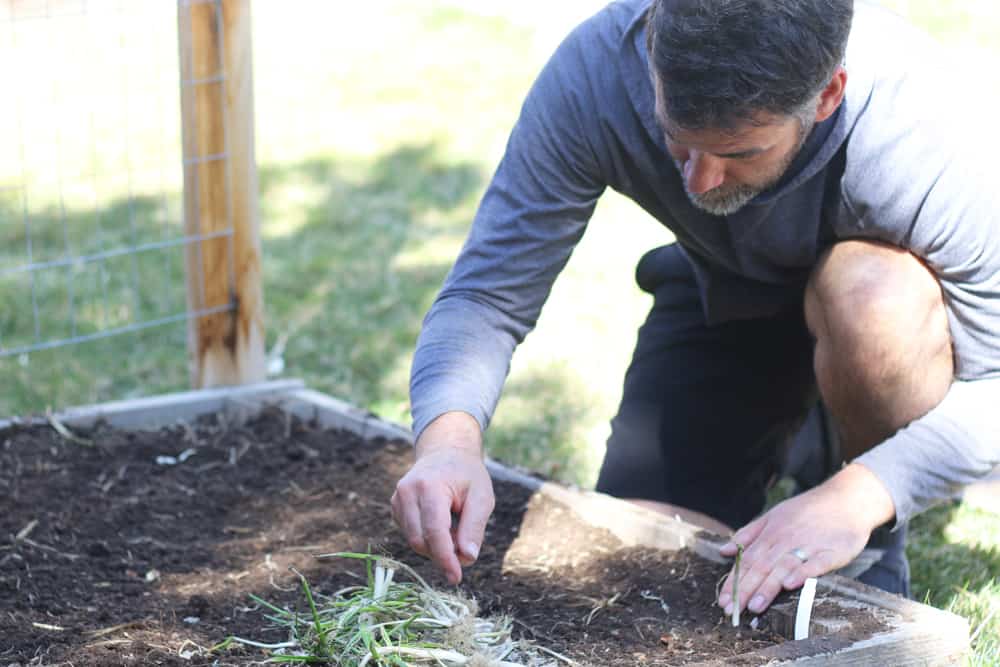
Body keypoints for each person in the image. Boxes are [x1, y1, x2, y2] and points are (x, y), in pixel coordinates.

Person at [390, 0, 1000, 620]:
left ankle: (865, 522)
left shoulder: (924, 127)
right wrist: (449, 443)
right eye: (678, 143)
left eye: (741, 152)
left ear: (826, 96)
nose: (702, 182)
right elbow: (488, 292)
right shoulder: (598, 68)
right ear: (652, 56)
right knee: (647, 550)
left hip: (879, 316)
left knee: (874, 295)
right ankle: (811, 434)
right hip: (723, 301)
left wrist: (860, 494)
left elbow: (995, 387)